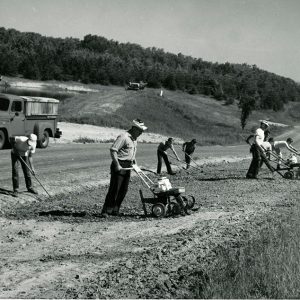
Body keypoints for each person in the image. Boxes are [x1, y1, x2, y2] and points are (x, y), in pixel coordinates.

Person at [101, 119, 147, 217]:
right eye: (140, 130)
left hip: (128, 165)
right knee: (115, 188)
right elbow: (113, 150)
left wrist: (135, 165)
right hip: (120, 164)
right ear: (134, 128)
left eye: (142, 131)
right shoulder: (124, 137)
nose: (141, 133)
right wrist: (117, 164)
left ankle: (115, 210)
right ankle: (106, 210)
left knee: (123, 189)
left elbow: (132, 155)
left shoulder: (134, 139)